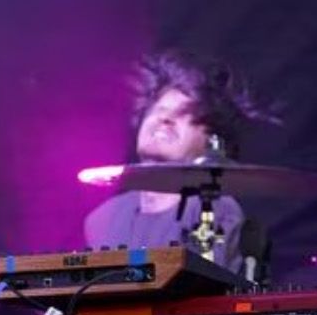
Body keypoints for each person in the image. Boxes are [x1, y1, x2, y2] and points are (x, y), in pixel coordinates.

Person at [83, 49, 277, 274]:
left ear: (210, 141)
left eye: (185, 115)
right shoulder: (103, 218)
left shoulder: (214, 209)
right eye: (158, 110)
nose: (165, 119)